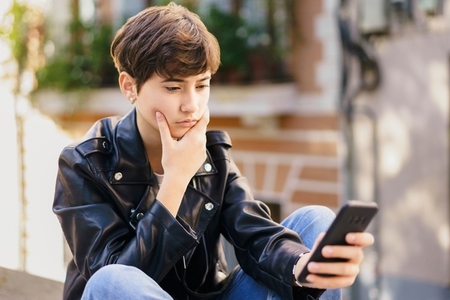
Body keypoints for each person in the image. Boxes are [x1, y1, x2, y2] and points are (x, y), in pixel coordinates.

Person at [52, 2, 374, 300]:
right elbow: (121, 279)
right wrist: (177, 179)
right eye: (173, 87)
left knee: (315, 220)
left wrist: (302, 266)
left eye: (202, 85)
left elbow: (254, 235)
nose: (191, 105)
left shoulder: (211, 156)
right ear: (129, 87)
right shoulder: (84, 164)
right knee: (111, 279)